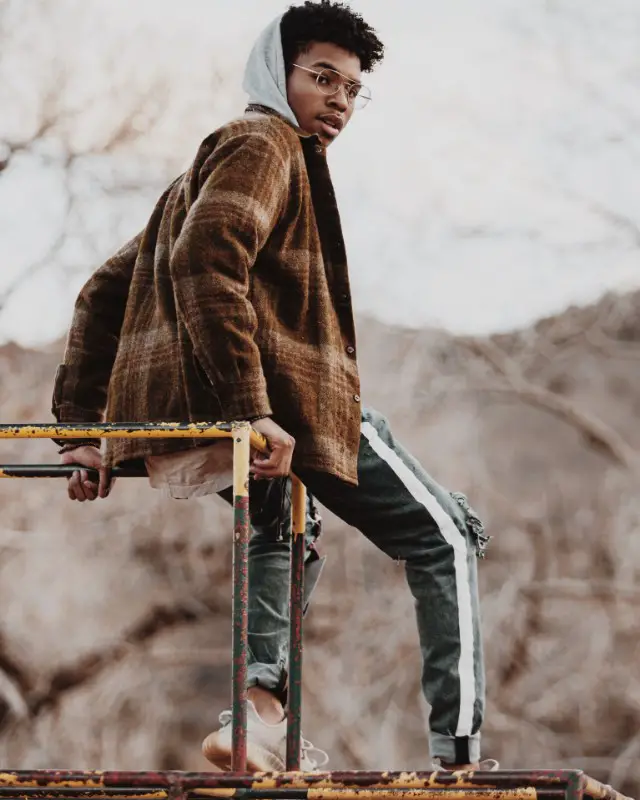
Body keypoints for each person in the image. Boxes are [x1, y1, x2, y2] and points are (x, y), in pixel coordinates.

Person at [52, 0, 495, 774]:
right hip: (274, 403)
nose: (339, 101)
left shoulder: (205, 168)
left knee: (286, 528)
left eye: (353, 90)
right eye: (323, 78)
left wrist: (80, 431)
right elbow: (205, 264)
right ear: (274, 70)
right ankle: (459, 757)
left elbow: (101, 291)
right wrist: (251, 410)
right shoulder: (264, 142)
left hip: (216, 411)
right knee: (445, 537)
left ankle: (255, 717)